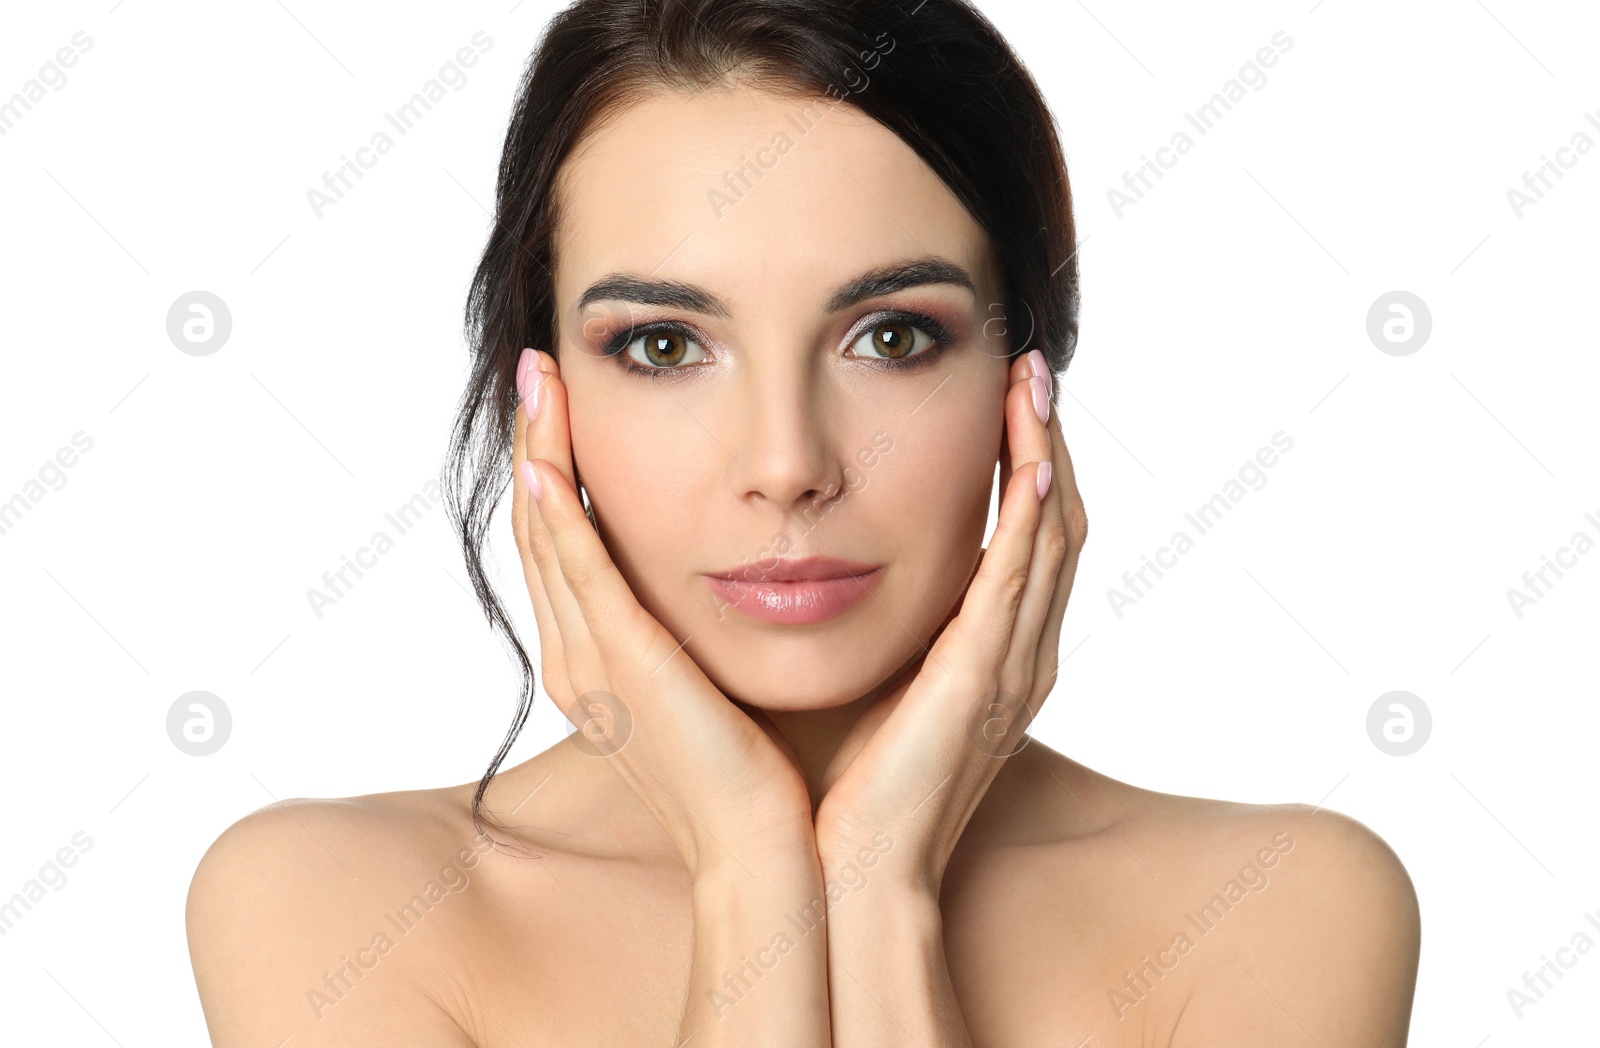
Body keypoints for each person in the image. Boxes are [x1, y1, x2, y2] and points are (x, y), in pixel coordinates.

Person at [186, 1, 1420, 1044]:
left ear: (1020, 377)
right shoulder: (329, 907)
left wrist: (882, 891)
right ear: (541, 398)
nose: (787, 466)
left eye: (891, 336)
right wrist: (749, 871)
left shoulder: (1282, 906)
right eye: (664, 345)